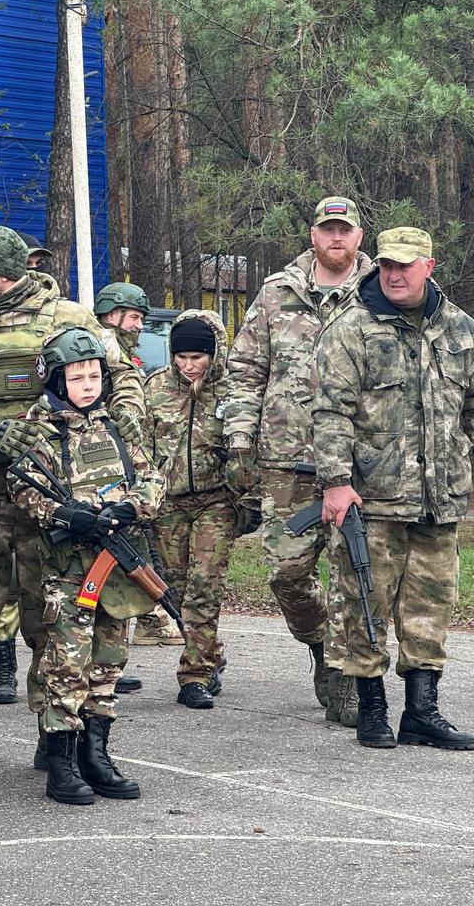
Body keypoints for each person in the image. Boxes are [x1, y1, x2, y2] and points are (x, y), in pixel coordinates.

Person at [0, 229, 146, 789]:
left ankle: (57, 742)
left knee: (56, 623)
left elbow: (123, 382)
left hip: (64, 505)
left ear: (2, 270)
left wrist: (123, 444)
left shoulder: (69, 318)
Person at [312, 226, 474, 752]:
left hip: (439, 498)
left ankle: (421, 712)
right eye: (385, 264)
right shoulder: (351, 329)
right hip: (373, 498)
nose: (394, 274)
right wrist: (336, 483)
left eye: (405, 265)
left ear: (429, 266)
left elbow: (469, 413)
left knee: (431, 605)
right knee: (364, 601)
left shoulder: (461, 331)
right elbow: (330, 412)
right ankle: (372, 708)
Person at [9, 328, 164, 805]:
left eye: (95, 375)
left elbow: (153, 475)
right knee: (67, 663)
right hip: (69, 571)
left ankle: (97, 755)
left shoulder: (116, 425)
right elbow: (24, 486)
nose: (88, 385)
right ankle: (61, 763)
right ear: (56, 381)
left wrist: (131, 508)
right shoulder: (41, 429)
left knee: (109, 660)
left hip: (115, 565)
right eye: (76, 378)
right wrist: (63, 515)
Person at [225, 196, 366, 721]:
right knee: (287, 574)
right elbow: (245, 372)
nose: (336, 238)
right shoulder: (277, 292)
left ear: (357, 237)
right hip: (285, 461)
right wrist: (240, 438)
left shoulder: (378, 293)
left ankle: (346, 673)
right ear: (313, 235)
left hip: (358, 462)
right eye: (327, 229)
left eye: (344, 230)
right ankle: (318, 643)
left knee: (353, 571)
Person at [144, 312, 234, 709]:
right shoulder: (155, 388)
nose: (188, 365)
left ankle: (194, 675)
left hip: (217, 501)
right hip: (169, 503)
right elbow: (141, 447)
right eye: (181, 356)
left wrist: (246, 495)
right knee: (175, 588)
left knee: (204, 584)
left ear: (213, 354)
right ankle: (209, 650)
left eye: (197, 357)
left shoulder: (231, 391)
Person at [94, 280, 179, 654]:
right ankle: (136, 630)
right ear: (113, 315)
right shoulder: (102, 346)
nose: (139, 325)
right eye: (134, 317)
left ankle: (131, 634)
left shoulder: (122, 354)